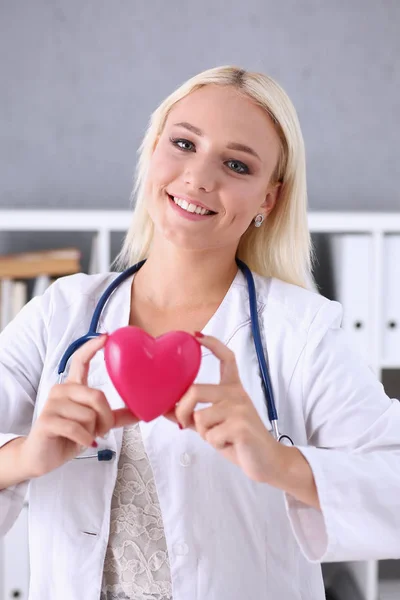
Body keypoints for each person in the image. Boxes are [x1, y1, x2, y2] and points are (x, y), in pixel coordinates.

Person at [1, 65, 399, 600]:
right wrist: (26, 456)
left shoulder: (305, 332)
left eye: (237, 164)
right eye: (184, 143)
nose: (199, 177)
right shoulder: (61, 313)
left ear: (268, 200)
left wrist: (281, 462)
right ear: (151, 151)